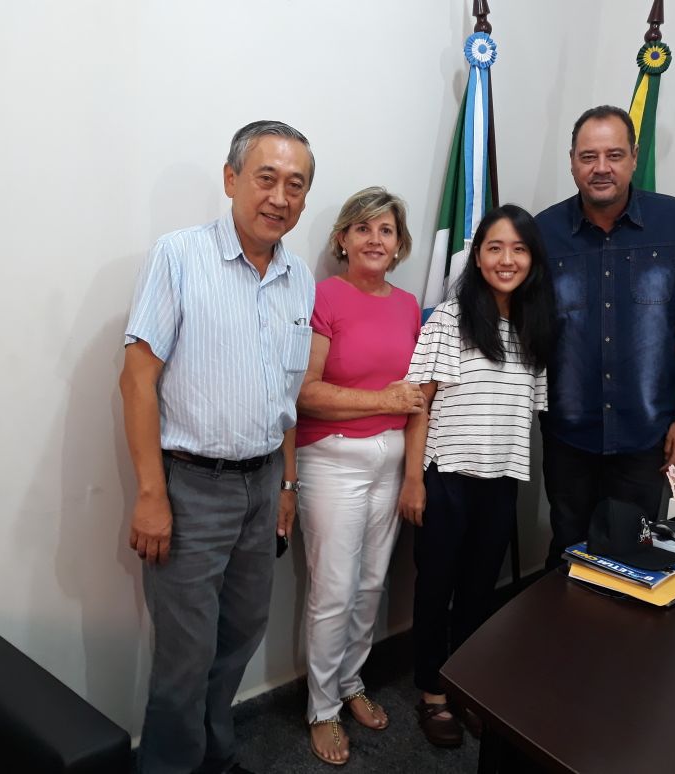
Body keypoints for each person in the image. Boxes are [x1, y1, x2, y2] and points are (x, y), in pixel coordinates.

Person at [120, 120, 316, 774]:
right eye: (267, 178)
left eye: (296, 185)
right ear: (232, 179)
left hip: (263, 488)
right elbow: (138, 378)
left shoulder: (299, 279)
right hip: (191, 489)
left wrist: (286, 485)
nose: (280, 197)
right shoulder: (179, 256)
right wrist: (151, 494)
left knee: (239, 636)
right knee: (184, 655)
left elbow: (287, 397)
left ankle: (213, 753)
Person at [535, 105, 675, 569]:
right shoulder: (542, 234)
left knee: (633, 557)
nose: (601, 168)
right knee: (569, 551)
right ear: (572, 161)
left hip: (648, 437)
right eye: (588, 156)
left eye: (614, 154)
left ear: (635, 157)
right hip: (568, 436)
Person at [400, 204, 554, 748]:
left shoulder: (534, 329)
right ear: (478, 256)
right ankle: (430, 691)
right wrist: (414, 480)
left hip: (500, 479)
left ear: (532, 259)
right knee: (435, 587)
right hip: (446, 477)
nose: (506, 259)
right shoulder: (448, 318)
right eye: (495, 247)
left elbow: (529, 411)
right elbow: (419, 403)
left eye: (518, 248)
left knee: (476, 593)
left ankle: (462, 684)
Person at [294, 187, 423, 766]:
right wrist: (381, 397)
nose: (375, 240)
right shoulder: (323, 297)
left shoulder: (409, 306)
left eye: (387, 231)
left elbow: (416, 399)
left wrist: (411, 464)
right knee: (333, 591)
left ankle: (351, 683)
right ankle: (320, 708)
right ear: (342, 238)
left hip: (391, 457)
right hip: (333, 460)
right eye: (364, 228)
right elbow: (305, 394)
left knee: (372, 584)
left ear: (399, 245)